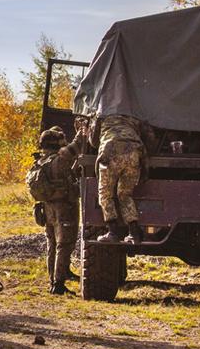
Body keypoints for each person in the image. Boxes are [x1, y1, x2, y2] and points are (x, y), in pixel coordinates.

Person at [26, 120, 87, 295]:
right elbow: (77, 145)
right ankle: (59, 284)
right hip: (63, 208)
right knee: (64, 244)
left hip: (47, 208)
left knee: (51, 244)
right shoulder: (60, 159)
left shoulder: (40, 161)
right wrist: (82, 130)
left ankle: (52, 280)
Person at [88, 114, 155, 244]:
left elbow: (94, 142)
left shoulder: (101, 115)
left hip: (110, 152)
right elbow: (150, 139)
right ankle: (133, 234)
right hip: (133, 153)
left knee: (105, 194)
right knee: (125, 194)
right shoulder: (134, 116)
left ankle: (113, 232)